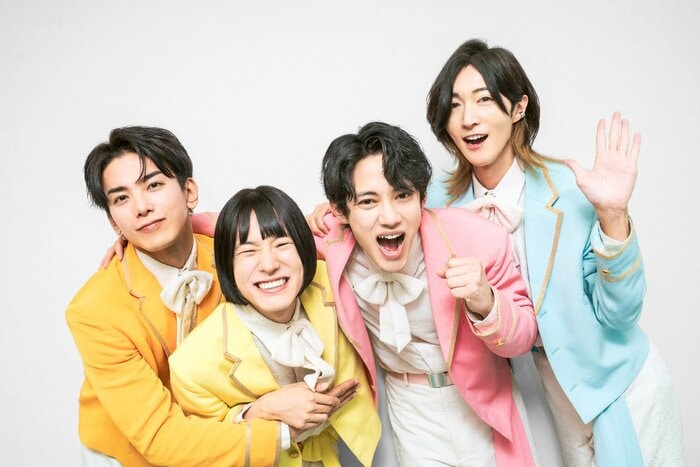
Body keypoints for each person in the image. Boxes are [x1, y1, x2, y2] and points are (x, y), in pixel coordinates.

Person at [424, 38, 683, 466]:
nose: (468, 118)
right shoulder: (438, 205)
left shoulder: (571, 188)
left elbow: (621, 314)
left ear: (518, 107)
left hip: (621, 385)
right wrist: (330, 217)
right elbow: (379, 216)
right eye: (455, 105)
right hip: (541, 394)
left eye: (484, 99)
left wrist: (613, 217)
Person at [67, 127, 347, 466]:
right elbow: (160, 438)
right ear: (114, 222)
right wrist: (282, 431)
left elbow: (289, 244)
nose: (141, 207)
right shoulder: (93, 311)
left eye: (153, 185)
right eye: (121, 199)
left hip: (223, 431)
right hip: (131, 453)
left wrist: (331, 217)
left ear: (189, 192)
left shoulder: (235, 255)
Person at [314, 121, 539, 466]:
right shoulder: (331, 245)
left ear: (422, 198)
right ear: (341, 211)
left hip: (484, 400)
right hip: (409, 410)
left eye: (403, 195)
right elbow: (256, 249)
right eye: (369, 201)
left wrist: (487, 300)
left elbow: (524, 336)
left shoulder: (477, 239)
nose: (389, 217)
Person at [168, 185, 380, 466]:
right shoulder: (190, 365)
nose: (269, 264)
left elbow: (371, 227)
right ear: (227, 265)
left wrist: (330, 213)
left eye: (282, 245)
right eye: (248, 252)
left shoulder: (333, 282)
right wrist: (258, 411)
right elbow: (208, 445)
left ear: (303, 247)